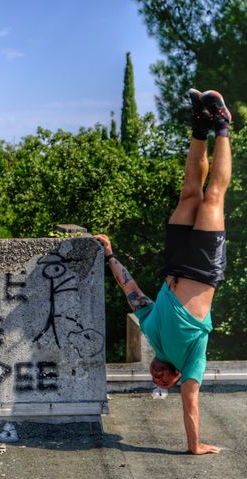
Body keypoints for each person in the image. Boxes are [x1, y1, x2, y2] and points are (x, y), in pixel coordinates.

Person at [95, 88, 232, 455]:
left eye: (155, 377)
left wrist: (110, 256)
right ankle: (222, 126)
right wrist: (194, 445)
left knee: (190, 194)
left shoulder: (153, 331)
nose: (157, 376)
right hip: (203, 268)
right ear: (178, 377)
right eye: (165, 380)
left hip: (175, 263)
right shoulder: (192, 360)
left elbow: (132, 293)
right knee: (213, 196)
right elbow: (191, 403)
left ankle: (199, 126)